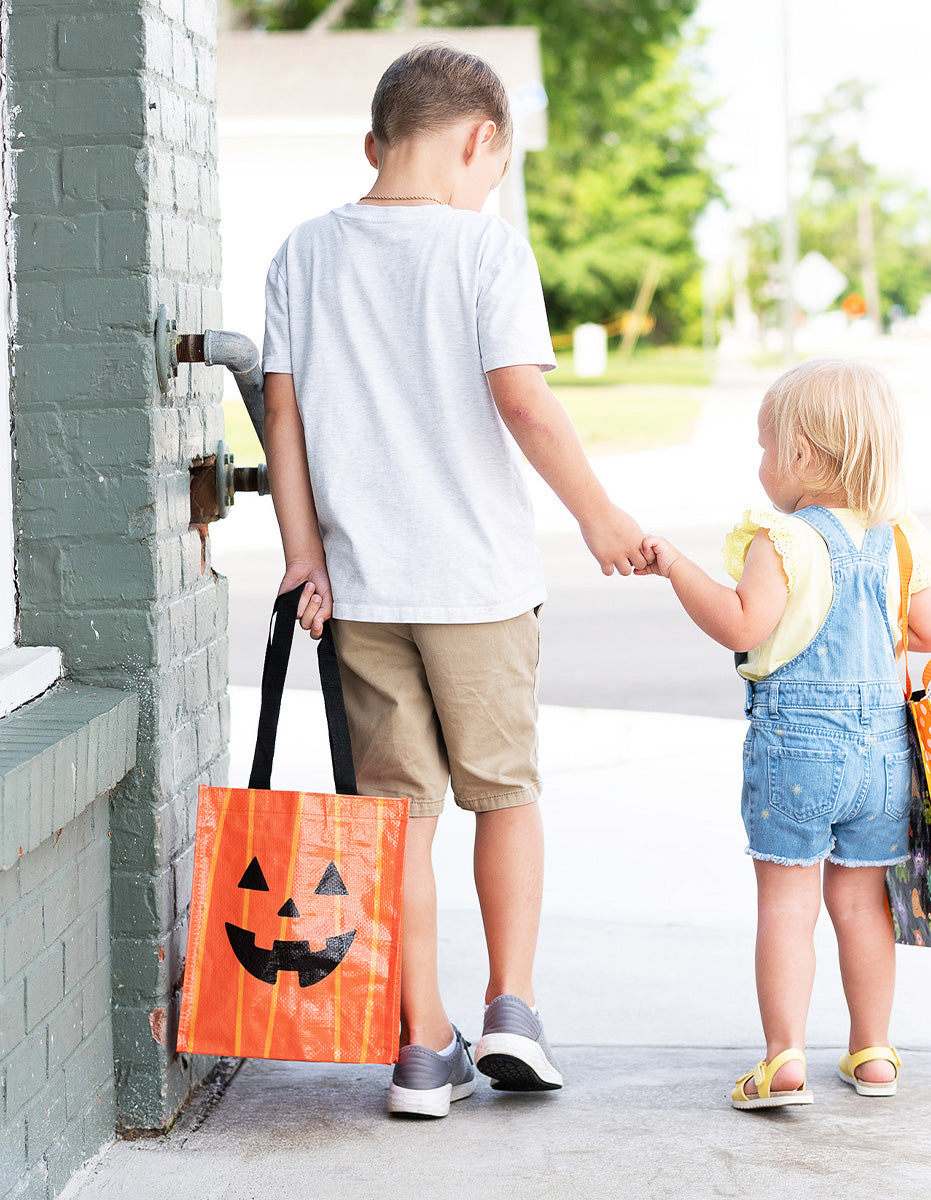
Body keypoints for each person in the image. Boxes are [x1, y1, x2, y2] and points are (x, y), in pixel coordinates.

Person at [261, 44, 647, 1118]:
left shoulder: (301, 253)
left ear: (377, 142)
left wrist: (304, 554)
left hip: (364, 591)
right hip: (477, 582)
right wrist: (597, 513)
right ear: (480, 139)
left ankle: (423, 1049)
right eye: (496, 168)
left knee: (398, 821)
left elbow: (281, 415)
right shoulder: (486, 249)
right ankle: (513, 1007)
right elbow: (521, 399)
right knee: (506, 795)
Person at [637, 358, 931, 1109]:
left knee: (787, 906)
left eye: (764, 445)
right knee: (862, 904)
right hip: (883, 755)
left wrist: (680, 568)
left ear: (803, 456)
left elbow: (740, 625)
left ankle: (784, 1059)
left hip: (799, 754)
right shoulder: (900, 539)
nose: (760, 463)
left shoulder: (780, 541)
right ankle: (873, 1052)